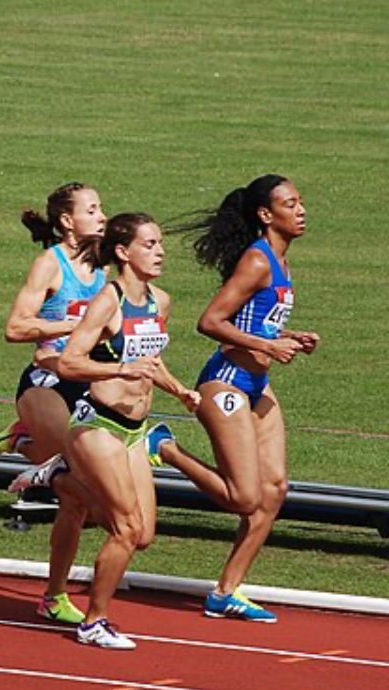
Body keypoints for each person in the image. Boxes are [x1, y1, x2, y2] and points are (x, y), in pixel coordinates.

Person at [152, 175, 316, 622]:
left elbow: (255, 322)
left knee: (274, 491)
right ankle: (163, 447)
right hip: (226, 381)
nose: (301, 210)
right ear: (267, 214)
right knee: (245, 499)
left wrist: (286, 337)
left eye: (301, 202)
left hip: (257, 386)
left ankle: (225, 592)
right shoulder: (259, 262)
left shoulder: (281, 261)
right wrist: (267, 347)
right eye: (290, 203)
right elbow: (210, 322)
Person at [55, 212, 198, 650]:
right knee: (126, 528)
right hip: (98, 424)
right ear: (123, 252)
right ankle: (94, 622)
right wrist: (120, 367)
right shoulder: (108, 301)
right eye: (150, 244)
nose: (159, 252)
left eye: (160, 245)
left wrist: (179, 391)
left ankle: (63, 481)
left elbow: (151, 359)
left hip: (135, 431)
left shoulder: (161, 301)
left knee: (145, 536)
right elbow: (68, 362)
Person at [0, 183, 108, 623]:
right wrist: (74, 324)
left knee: (81, 505)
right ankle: (30, 444)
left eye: (102, 208)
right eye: (92, 210)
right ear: (67, 221)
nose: (102, 216)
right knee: (83, 484)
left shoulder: (104, 266)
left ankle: (54, 594)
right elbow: (15, 327)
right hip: (47, 381)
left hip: (87, 386)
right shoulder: (50, 264)